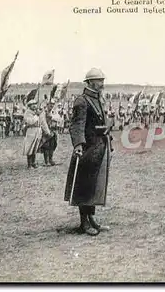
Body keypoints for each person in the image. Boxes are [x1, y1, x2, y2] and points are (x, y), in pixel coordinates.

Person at [64, 68, 113, 236]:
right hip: (86, 149)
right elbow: (76, 125)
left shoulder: (98, 99)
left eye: (102, 80)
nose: (102, 83)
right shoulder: (82, 101)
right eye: (99, 81)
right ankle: (83, 223)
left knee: (93, 185)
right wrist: (78, 144)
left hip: (99, 147)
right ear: (91, 82)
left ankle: (92, 219)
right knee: (83, 185)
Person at [23, 99, 42, 168]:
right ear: (29, 106)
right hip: (31, 130)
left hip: (37, 130)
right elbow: (30, 122)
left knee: (35, 147)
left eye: (35, 104)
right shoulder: (27, 113)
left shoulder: (36, 112)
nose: (34, 106)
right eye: (32, 105)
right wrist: (36, 115)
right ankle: (29, 164)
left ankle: (33, 163)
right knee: (30, 147)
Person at [38, 99, 58, 166]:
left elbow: (58, 118)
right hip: (46, 131)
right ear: (47, 105)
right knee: (46, 146)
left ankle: (51, 159)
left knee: (52, 145)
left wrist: (53, 118)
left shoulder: (53, 112)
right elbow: (42, 122)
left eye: (53, 104)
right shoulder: (44, 112)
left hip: (53, 130)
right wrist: (47, 131)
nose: (51, 106)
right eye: (50, 104)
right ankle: (46, 161)